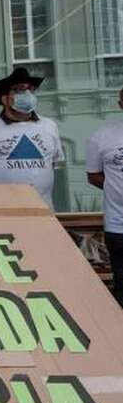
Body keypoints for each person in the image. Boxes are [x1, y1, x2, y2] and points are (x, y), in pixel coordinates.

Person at [0, 67, 65, 209]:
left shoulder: (49, 126)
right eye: (18, 90)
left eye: (31, 89)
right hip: (0, 212)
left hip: (42, 211)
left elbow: (52, 163)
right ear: (4, 98)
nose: (27, 93)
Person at [86, 86, 123, 306]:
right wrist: (115, 190)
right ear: (120, 105)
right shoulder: (102, 136)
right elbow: (94, 176)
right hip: (118, 226)